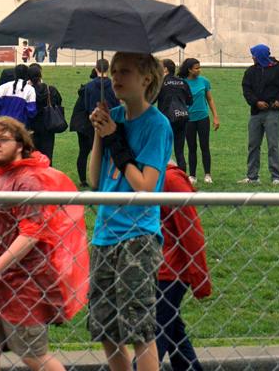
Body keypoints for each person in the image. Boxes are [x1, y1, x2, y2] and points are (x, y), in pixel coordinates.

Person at [0, 117, 88, 371]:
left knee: (32, 355)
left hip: (23, 283)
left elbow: (31, 234)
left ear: (20, 144)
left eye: (2, 139)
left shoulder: (28, 181)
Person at [87, 51, 174, 371]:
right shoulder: (115, 118)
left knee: (139, 326)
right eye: (113, 72)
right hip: (104, 232)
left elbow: (145, 186)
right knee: (105, 326)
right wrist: (100, 135)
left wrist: (115, 140)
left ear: (146, 79)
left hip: (137, 234)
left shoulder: (157, 125)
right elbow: (95, 178)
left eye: (124, 72)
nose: (116, 78)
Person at [156, 162, 211, 371]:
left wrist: (200, 277)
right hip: (155, 268)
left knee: (154, 341)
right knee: (174, 335)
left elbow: (191, 232)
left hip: (170, 271)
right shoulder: (143, 174)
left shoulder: (171, 179)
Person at [240, 44, 279, 185]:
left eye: (254, 54)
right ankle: (252, 176)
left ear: (260, 56)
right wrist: (256, 102)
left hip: (272, 113)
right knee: (253, 145)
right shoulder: (250, 72)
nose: (252, 57)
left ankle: (276, 176)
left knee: (273, 145)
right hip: (255, 114)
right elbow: (246, 90)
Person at [70, 59, 120, 185]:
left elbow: (87, 106)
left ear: (96, 68)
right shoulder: (114, 85)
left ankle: (86, 179)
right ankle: (108, 177)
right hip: (110, 121)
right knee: (108, 152)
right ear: (108, 69)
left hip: (93, 122)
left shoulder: (89, 86)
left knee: (88, 152)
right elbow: (117, 104)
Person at [181, 58, 218, 185]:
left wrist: (215, 117)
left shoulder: (204, 81)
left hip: (203, 118)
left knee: (205, 146)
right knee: (192, 148)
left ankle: (208, 174)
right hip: (188, 120)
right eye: (196, 68)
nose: (199, 70)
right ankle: (192, 175)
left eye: (199, 67)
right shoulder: (182, 83)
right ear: (189, 70)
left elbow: (210, 99)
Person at [156, 60, 191, 170]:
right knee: (179, 152)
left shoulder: (161, 82)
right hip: (183, 117)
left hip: (167, 119)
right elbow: (190, 101)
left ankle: (164, 180)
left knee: (164, 150)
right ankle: (182, 179)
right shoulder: (182, 82)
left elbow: (150, 100)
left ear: (165, 69)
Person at [27, 63, 65, 162]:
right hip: (48, 126)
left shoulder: (27, 92)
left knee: (31, 157)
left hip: (32, 127)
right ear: (40, 76)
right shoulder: (50, 90)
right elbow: (59, 101)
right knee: (47, 157)